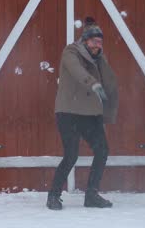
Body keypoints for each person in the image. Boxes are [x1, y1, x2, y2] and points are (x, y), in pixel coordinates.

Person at [46, 17, 119, 210]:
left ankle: (92, 195)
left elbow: (110, 81)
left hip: (89, 113)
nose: (97, 45)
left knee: (102, 150)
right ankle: (53, 196)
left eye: (100, 42)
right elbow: (77, 71)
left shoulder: (99, 58)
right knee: (71, 155)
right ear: (85, 40)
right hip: (69, 112)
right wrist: (93, 83)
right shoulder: (71, 51)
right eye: (94, 41)